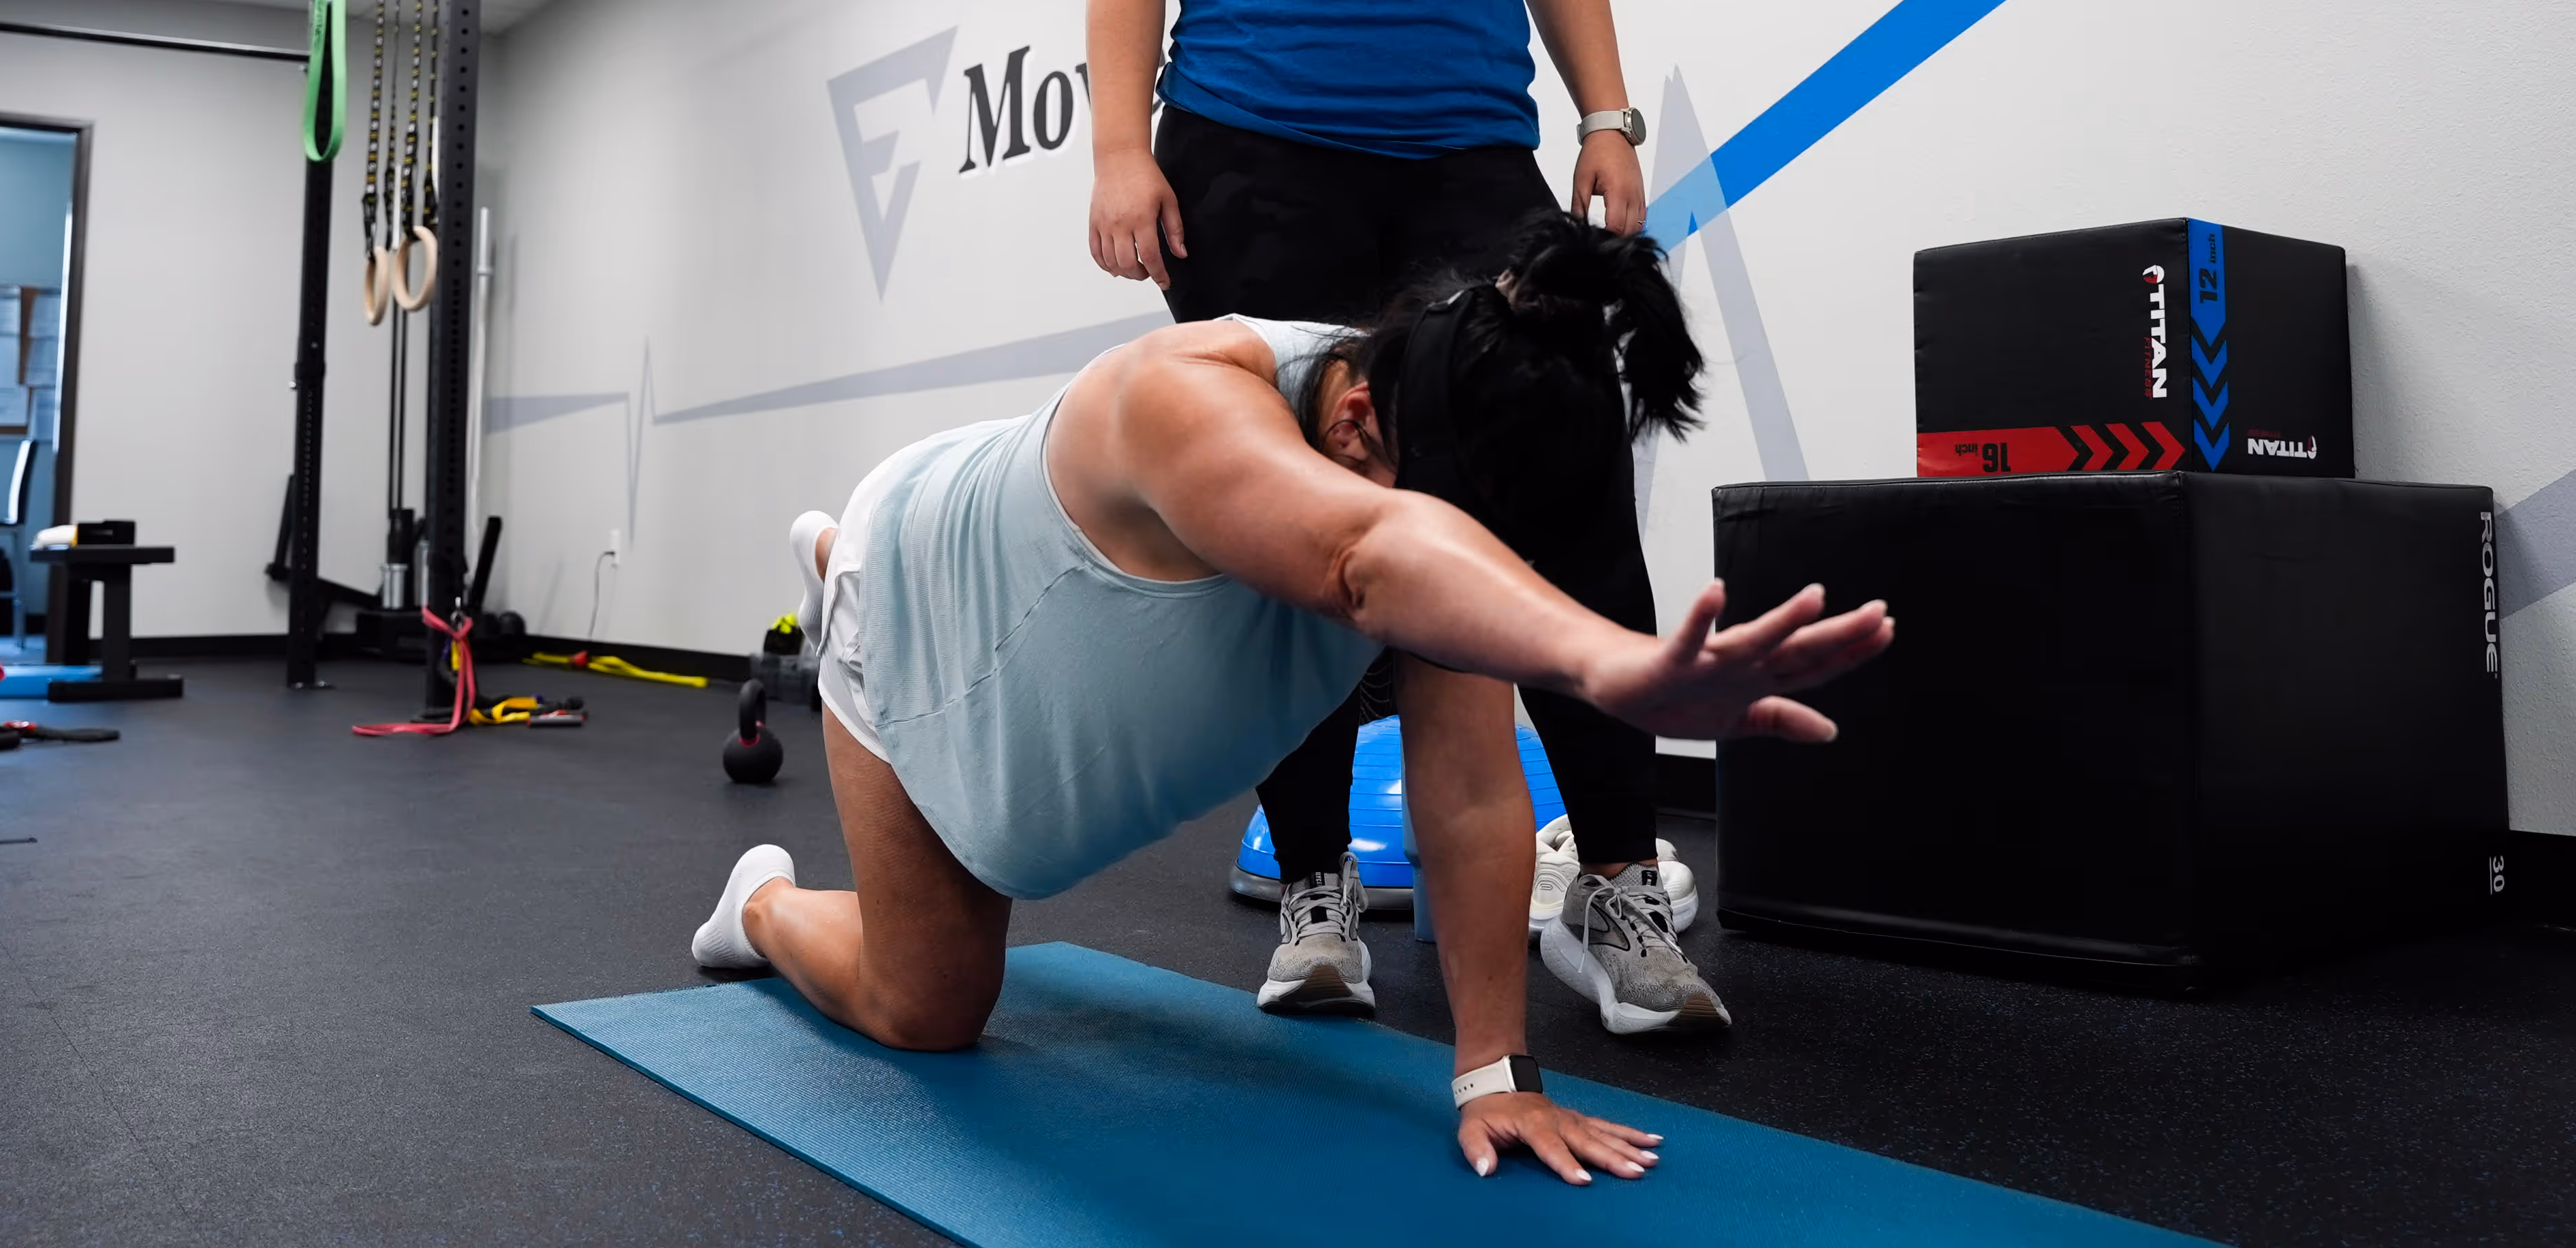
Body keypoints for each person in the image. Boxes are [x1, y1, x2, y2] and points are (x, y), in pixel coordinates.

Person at [689, 218, 1894, 1183]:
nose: (1473, 561)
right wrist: (1598, 659)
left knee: (1000, 887)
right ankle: (768, 902)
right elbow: (1362, 557)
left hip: (1047, 642)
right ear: (1358, 417)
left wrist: (1497, 1076)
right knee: (929, 1008)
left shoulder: (1421, 459)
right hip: (911, 611)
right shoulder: (1189, 389)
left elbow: (1472, 795)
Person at [1083, 0, 1708, 1036]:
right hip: (1249, 167)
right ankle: (1314, 897)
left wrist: (1607, 119)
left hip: (1462, 172)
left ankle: (1623, 889)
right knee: (1290, 529)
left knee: (1562, 501)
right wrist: (1115, 149)